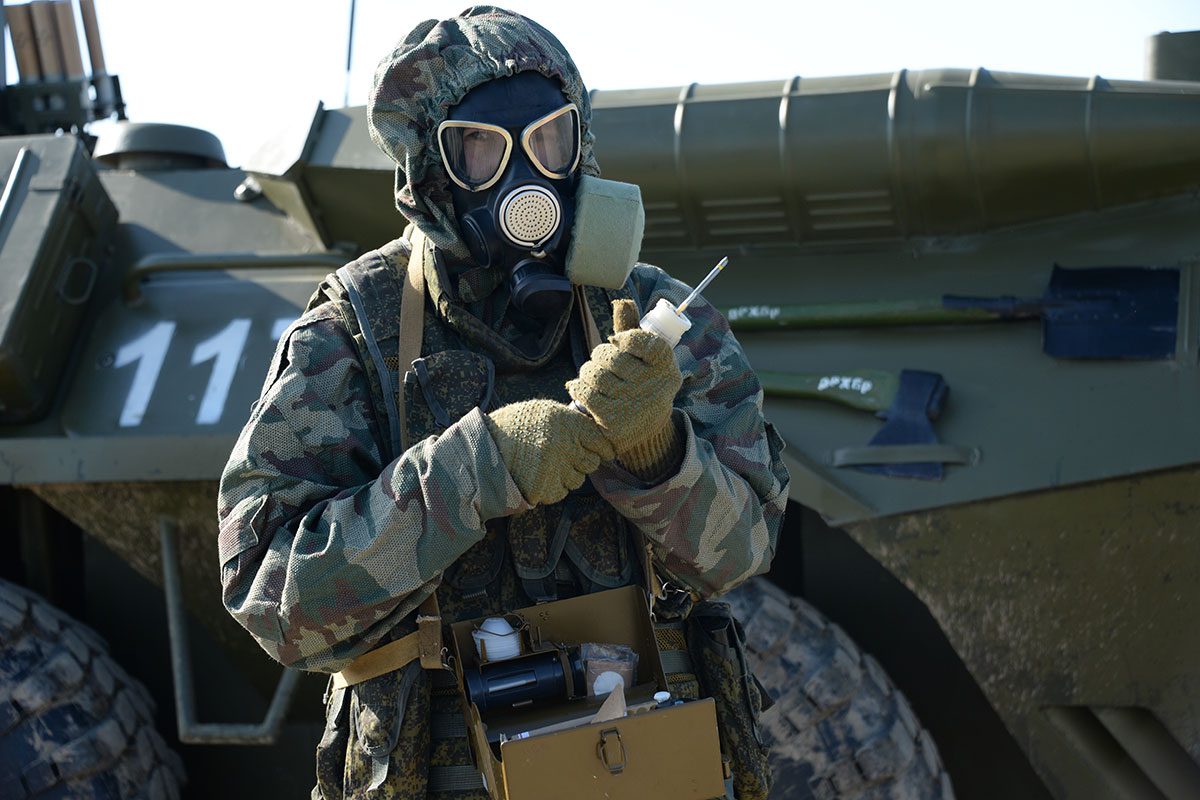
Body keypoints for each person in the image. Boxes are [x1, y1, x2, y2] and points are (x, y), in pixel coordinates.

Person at [217, 7, 789, 798]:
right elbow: (273, 599)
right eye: (481, 149)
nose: (528, 179)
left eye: (550, 139)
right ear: (428, 171)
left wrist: (659, 454)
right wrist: (474, 473)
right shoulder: (356, 328)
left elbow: (744, 551)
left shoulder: (655, 319)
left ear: (580, 144)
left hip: (647, 764)